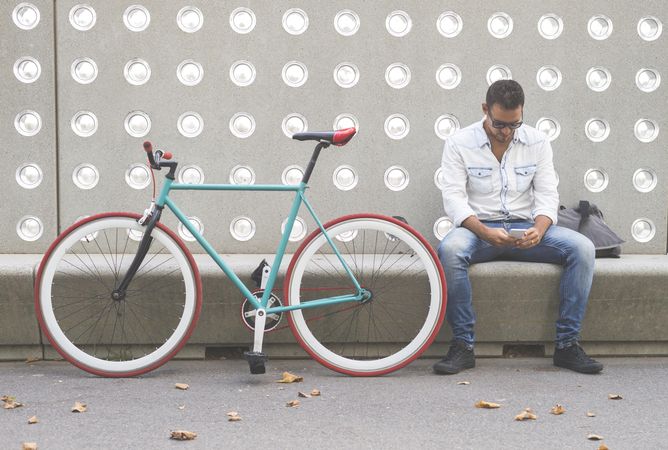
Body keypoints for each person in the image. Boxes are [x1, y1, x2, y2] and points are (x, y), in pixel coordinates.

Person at [434, 80, 603, 375]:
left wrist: (539, 229)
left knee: (583, 248)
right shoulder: (459, 143)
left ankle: (567, 346)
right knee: (449, 250)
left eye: (514, 124)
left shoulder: (537, 141)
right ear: (485, 110)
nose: (507, 131)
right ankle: (463, 345)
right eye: (500, 123)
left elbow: (548, 195)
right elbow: (454, 200)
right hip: (479, 230)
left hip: (526, 228)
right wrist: (485, 232)